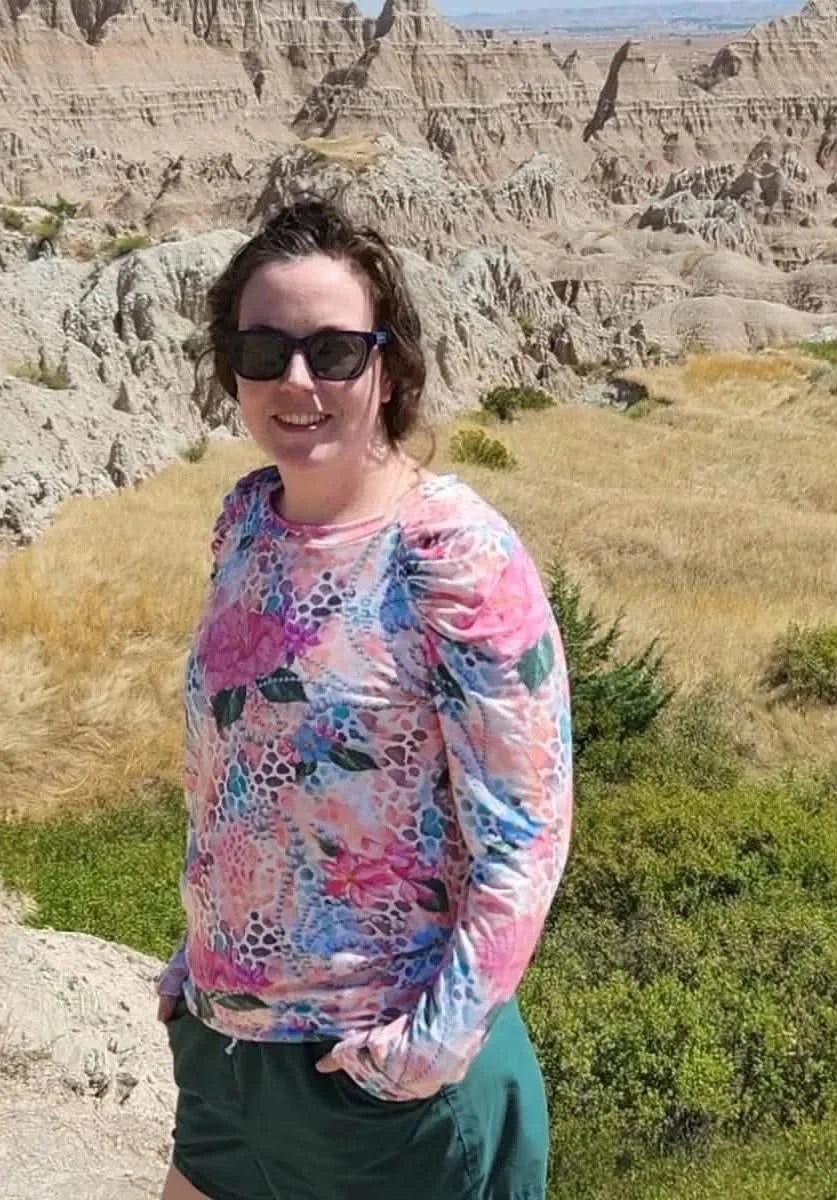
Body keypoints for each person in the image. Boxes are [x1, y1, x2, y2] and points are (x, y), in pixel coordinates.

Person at [156, 194, 573, 1200]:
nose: (297, 382)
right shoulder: (247, 526)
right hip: (229, 1055)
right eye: (264, 351)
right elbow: (242, 769)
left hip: (384, 1083)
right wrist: (196, 955)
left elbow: (528, 827)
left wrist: (426, 1048)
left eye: (334, 351)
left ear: (387, 366)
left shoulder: (454, 556)